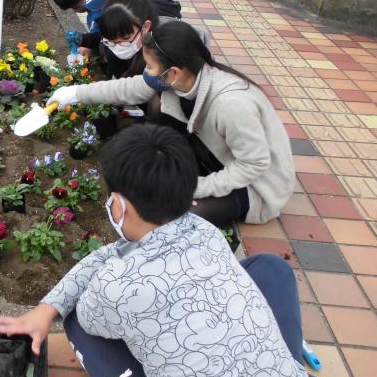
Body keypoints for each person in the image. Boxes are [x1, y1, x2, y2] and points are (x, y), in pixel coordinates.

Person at [0, 124, 319, 377]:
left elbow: (104, 278)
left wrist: (50, 311)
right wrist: (46, 308)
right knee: (269, 267)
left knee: (77, 320)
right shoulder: (207, 232)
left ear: (119, 204)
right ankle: (275, 370)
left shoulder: (114, 288)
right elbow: (115, 252)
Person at [49, 20, 294, 228]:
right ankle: (182, 173)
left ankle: (192, 186)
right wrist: (75, 93)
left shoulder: (231, 104)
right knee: (157, 107)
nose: (146, 71)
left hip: (253, 185)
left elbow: (254, 165)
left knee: (178, 220)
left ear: (174, 72)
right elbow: (127, 89)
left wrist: (197, 187)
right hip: (213, 157)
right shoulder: (183, 77)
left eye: (150, 66)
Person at [50, 0, 172, 53]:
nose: (76, 11)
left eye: (76, 7)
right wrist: (90, 43)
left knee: (148, 38)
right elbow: (98, 24)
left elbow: (102, 20)